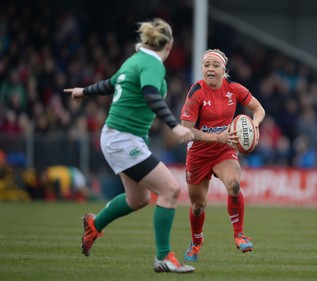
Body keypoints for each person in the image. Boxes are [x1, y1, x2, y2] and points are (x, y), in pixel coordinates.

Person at [64, 18, 195, 273]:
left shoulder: (133, 60)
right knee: (170, 190)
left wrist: (85, 91)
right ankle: (163, 257)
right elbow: (150, 94)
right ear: (169, 45)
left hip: (120, 137)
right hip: (124, 138)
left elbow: (110, 84)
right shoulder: (152, 64)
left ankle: (94, 224)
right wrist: (174, 125)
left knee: (139, 198)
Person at [180, 49, 265, 262]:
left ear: (223, 70)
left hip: (224, 150)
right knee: (198, 206)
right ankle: (196, 243)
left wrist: (253, 126)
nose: (210, 69)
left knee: (234, 185)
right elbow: (186, 132)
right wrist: (218, 137)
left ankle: (239, 234)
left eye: (215, 65)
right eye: (206, 65)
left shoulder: (234, 89)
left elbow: (259, 109)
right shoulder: (196, 93)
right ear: (202, 69)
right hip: (199, 154)